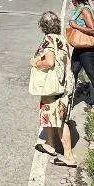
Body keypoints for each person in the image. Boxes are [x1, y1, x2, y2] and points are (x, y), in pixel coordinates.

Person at [31, 11, 77, 167]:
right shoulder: (62, 40)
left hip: (54, 86)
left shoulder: (49, 40)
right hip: (65, 83)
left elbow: (49, 62)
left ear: (43, 26)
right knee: (52, 116)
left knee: (59, 120)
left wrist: (36, 63)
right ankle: (50, 144)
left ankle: (69, 156)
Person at [67, 0, 94, 114]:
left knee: (92, 74)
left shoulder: (84, 11)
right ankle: (69, 99)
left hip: (86, 49)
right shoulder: (80, 9)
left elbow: (93, 29)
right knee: (73, 72)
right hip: (79, 47)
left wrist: (76, 26)